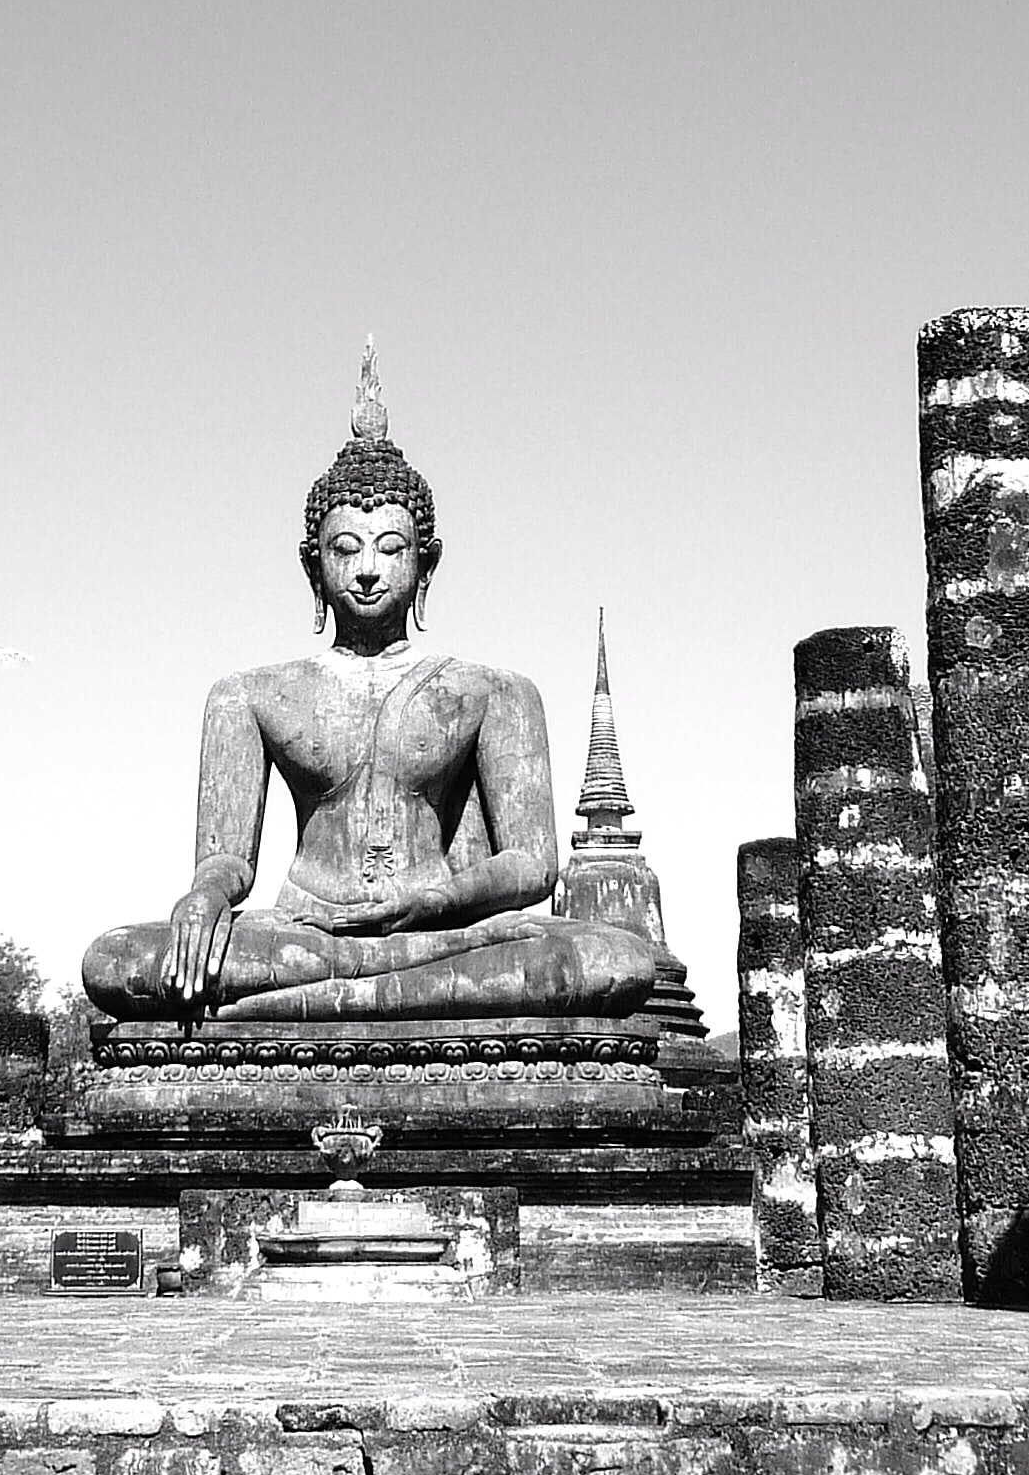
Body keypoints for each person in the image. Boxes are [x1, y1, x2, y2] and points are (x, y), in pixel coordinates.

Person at [79, 355, 659, 1025]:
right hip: (304, 933)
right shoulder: (249, 696)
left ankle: (307, 1004)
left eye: (390, 548)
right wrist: (205, 896)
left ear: (426, 564)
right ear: (313, 567)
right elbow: (227, 859)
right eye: (345, 549)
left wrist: (436, 902)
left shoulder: (492, 693)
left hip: (440, 930)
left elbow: (533, 863)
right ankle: (373, 994)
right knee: (117, 962)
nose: (366, 570)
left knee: (612, 960)